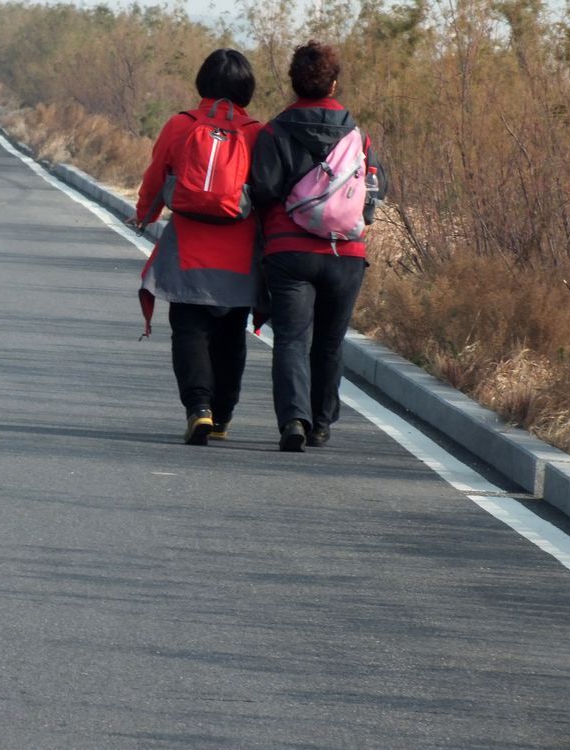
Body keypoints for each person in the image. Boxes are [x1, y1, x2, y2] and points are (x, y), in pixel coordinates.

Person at [249, 40, 388, 451]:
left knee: (292, 338)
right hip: (345, 255)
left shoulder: (275, 131)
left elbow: (265, 189)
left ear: (293, 83)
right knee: (329, 341)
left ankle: (294, 419)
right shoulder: (357, 135)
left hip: (290, 253)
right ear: (334, 83)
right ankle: (322, 422)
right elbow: (377, 188)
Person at [127, 49, 264, 445]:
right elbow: (269, 194)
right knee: (231, 335)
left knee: (189, 330)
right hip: (239, 253)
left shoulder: (180, 124)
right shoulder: (256, 132)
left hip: (188, 247)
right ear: (246, 87)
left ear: (202, 82)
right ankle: (222, 416)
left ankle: (198, 408)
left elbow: (156, 178)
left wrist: (144, 215)